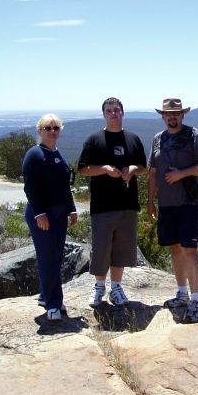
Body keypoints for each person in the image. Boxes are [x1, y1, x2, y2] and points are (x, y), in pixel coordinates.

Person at [147, 98, 198, 323]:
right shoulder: (158, 139)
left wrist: (181, 174)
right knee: (175, 248)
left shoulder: (195, 136)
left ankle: (196, 299)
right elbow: (153, 172)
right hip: (166, 204)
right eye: (168, 113)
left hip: (189, 202)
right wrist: (150, 201)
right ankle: (182, 294)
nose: (172, 116)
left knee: (189, 249)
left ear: (182, 115)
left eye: (176, 113)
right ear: (163, 116)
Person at [78, 97, 147, 308]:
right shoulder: (94, 139)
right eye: (109, 110)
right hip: (102, 205)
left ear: (123, 112)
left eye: (116, 110)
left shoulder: (133, 139)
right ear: (104, 114)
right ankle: (99, 287)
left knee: (122, 248)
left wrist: (133, 170)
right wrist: (105, 170)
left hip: (128, 204)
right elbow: (82, 168)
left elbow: (142, 166)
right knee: (101, 248)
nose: (113, 113)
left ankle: (116, 288)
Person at [23, 114, 78, 321]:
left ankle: (46, 295)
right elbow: (30, 187)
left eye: (56, 128)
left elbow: (65, 186)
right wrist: (40, 214)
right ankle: (53, 304)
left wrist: (71, 209)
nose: (52, 131)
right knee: (48, 257)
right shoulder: (35, 154)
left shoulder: (59, 154)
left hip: (59, 213)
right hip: (42, 214)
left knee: (55, 256)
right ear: (40, 131)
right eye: (48, 128)